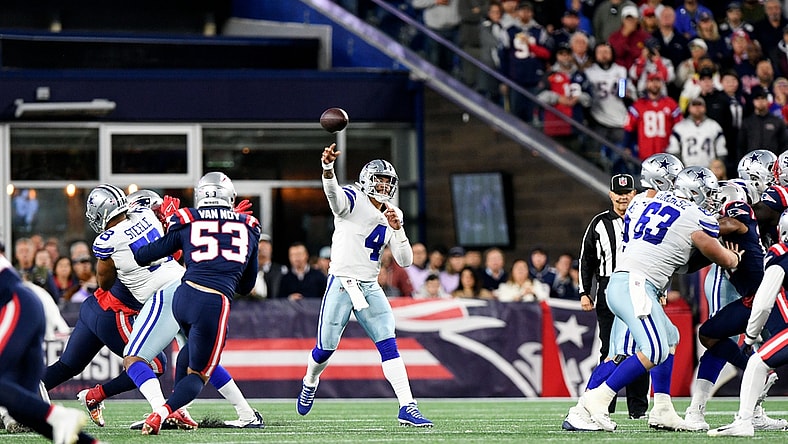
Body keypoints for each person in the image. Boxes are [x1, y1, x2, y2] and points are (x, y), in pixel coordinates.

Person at [570, 166, 741, 432]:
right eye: (705, 193)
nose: (709, 199)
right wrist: (734, 257)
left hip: (627, 282)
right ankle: (594, 400)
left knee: (670, 338)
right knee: (652, 350)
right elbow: (717, 246)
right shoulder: (693, 214)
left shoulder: (644, 203)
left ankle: (662, 408)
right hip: (636, 284)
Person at [296, 143, 432, 427]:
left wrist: (399, 229)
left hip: (370, 287)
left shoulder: (393, 212)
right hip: (342, 283)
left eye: (388, 181)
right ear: (367, 181)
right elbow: (333, 197)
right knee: (325, 350)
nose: (384, 186)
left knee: (389, 344)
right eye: (379, 180)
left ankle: (408, 406)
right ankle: (310, 380)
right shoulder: (352, 198)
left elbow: (405, 261)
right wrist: (327, 169)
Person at [132, 173, 261, 435]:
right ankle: (162, 414)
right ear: (230, 197)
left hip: (184, 296)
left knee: (189, 353)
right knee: (199, 374)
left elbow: (143, 256)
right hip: (212, 302)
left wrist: (165, 225)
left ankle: (177, 411)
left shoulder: (187, 219)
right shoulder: (248, 225)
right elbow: (247, 287)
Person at [683, 183, 786, 432]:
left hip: (766, 297)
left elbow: (730, 224)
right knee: (708, 334)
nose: (710, 204)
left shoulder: (736, 210)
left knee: (763, 355)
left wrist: (691, 223)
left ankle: (744, 416)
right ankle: (753, 405)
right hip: (751, 297)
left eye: (714, 200)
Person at [0, 255, 99, 444]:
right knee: (23, 409)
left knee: (32, 408)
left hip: (14, 303)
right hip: (23, 303)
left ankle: (57, 415)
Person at [577, 172, 651, 420]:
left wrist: (660, 289)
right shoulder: (599, 223)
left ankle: (638, 410)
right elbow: (586, 260)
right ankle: (601, 405)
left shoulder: (644, 219)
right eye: (618, 194)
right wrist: (585, 292)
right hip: (609, 289)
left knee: (644, 348)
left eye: (627, 193)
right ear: (610, 194)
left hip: (640, 286)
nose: (622, 198)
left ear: (634, 194)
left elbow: (660, 254)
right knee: (611, 348)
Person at [707, 208, 788, 436]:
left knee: (756, 362)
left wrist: (751, 337)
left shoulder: (781, 252)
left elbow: (763, 302)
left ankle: (744, 421)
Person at [498, 0, 552, 125]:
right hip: (515, 78)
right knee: (516, 115)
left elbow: (547, 53)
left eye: (528, 11)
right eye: (522, 10)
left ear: (532, 13)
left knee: (534, 115)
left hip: (535, 77)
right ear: (517, 13)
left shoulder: (539, 31)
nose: (525, 13)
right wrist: (504, 79)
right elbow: (503, 57)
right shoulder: (509, 31)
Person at [584, 42, 633, 172]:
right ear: (595, 54)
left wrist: (628, 94)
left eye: (607, 52)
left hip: (619, 119)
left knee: (621, 158)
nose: (604, 55)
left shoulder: (620, 70)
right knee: (597, 159)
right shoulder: (589, 72)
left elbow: (626, 93)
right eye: (600, 52)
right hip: (598, 119)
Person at [622, 71, 682, 163]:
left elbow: (680, 127)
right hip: (644, 156)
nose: (654, 84)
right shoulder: (638, 105)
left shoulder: (671, 104)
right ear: (647, 83)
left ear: (661, 84)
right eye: (651, 81)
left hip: (666, 156)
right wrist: (627, 146)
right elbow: (629, 128)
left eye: (657, 81)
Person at [667, 96, 727, 168]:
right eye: (694, 105)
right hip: (687, 170)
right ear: (689, 108)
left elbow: (721, 151)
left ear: (705, 108)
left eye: (700, 105)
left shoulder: (714, 126)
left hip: (709, 170)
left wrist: (717, 167)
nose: (697, 108)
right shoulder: (680, 127)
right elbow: (674, 151)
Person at [738, 85, 788, 154]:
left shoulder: (777, 121)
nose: (760, 101)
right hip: (752, 161)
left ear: (767, 101)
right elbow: (741, 146)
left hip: (773, 161)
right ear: (753, 101)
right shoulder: (747, 122)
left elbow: (784, 145)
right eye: (757, 99)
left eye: (763, 98)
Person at [249, 233, 285, 300]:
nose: (262, 251)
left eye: (265, 248)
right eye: (260, 248)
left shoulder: (280, 270)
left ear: (271, 249)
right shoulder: (247, 271)